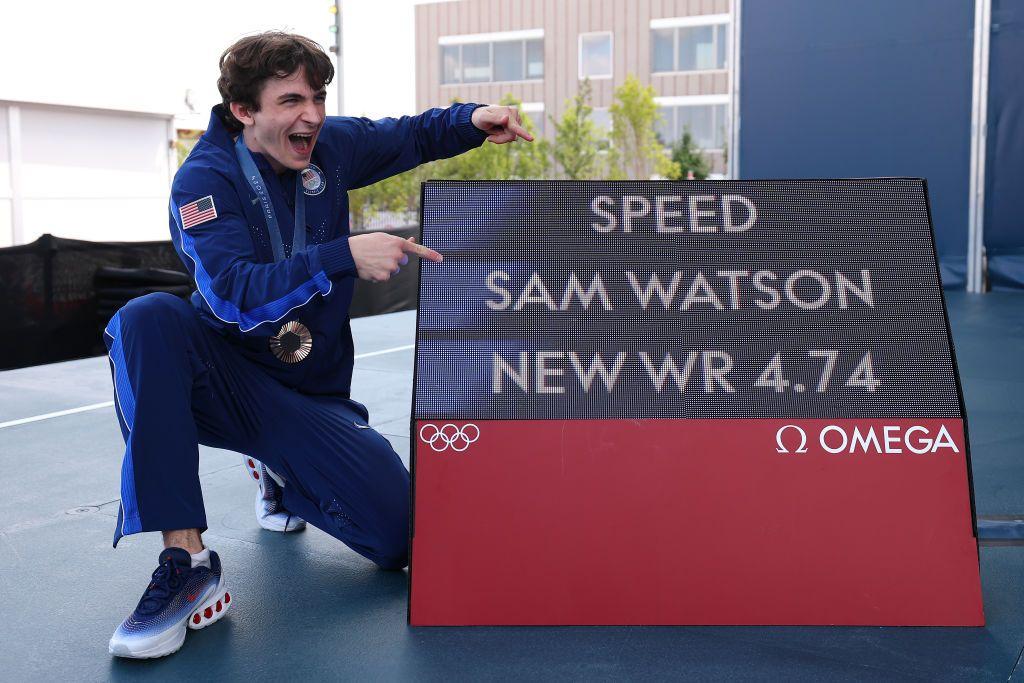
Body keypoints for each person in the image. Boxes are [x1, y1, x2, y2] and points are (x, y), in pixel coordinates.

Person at [104, 31, 532, 659]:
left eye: (319, 98)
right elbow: (229, 296)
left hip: (309, 394)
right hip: (225, 383)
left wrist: (472, 120)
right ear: (244, 112)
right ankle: (186, 562)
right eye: (291, 101)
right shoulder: (203, 182)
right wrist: (343, 255)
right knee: (148, 319)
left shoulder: (326, 148)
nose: (311, 115)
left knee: (397, 540)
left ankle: (280, 470)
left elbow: (409, 134)